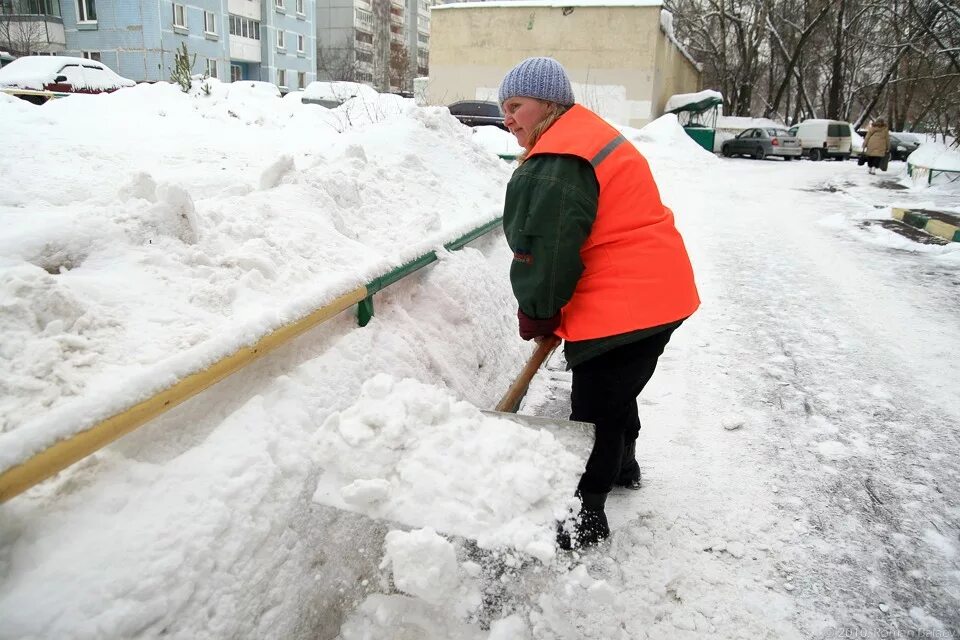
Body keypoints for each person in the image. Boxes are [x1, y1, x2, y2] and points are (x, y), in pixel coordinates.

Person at [497, 57, 700, 550]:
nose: (508, 119)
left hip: (627, 303)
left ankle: (584, 516)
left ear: (549, 103)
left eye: (516, 106)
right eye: (504, 108)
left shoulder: (557, 161)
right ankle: (624, 466)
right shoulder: (585, 136)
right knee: (616, 389)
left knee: (592, 412)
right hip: (658, 293)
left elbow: (543, 249)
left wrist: (539, 311)